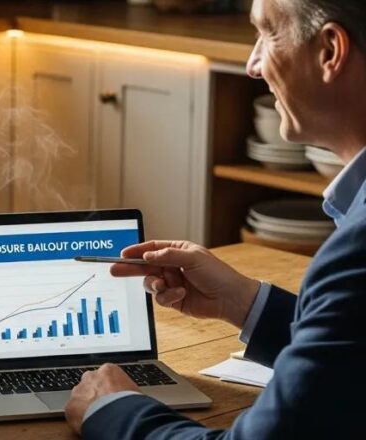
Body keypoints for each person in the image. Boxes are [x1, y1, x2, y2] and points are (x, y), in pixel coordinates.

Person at [64, 0, 366, 438]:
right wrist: (242, 302)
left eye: (267, 32)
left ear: (330, 51)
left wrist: (114, 408)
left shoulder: (354, 252)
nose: (253, 64)